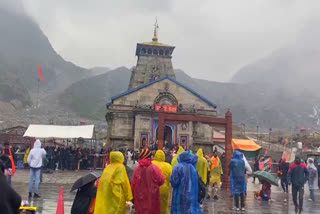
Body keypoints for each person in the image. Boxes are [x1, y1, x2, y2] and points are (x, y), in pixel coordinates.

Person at [131, 148, 164, 214]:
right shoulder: (155, 168)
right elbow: (161, 180)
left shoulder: (137, 169)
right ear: (149, 157)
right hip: (152, 196)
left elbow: (133, 184)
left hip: (139, 196)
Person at [152, 150, 173, 214]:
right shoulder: (168, 166)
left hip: (152, 189)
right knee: (164, 208)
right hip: (164, 189)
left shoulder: (151, 164)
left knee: (153, 207)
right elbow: (171, 179)